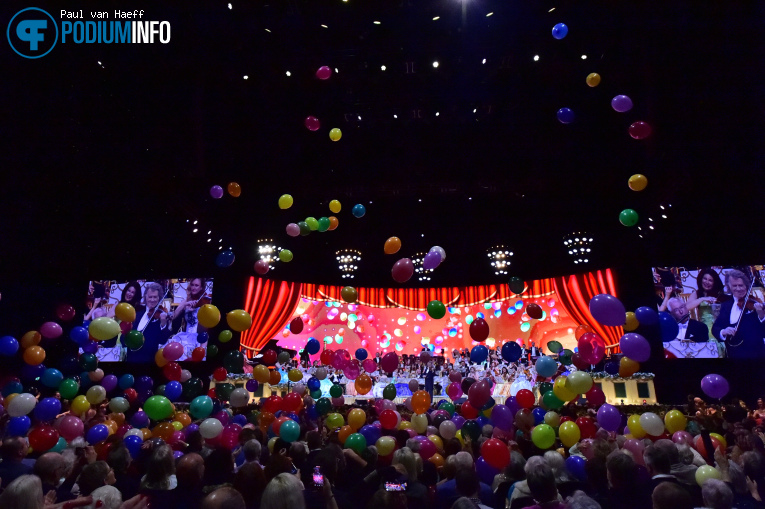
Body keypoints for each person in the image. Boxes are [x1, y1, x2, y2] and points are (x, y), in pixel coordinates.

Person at [712, 269, 765, 359]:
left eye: (741, 285)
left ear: (746, 286)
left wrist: (761, 315)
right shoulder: (725, 305)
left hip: (755, 353)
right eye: (734, 286)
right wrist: (723, 331)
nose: (738, 288)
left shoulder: (754, 302)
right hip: (734, 353)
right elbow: (715, 328)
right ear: (729, 286)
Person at [126, 282, 171, 362]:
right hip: (132, 356)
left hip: (150, 358)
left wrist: (163, 324)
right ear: (145, 297)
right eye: (150, 297)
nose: (152, 300)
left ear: (159, 298)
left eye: (155, 297)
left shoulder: (161, 315)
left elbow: (162, 340)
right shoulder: (137, 312)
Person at [688, 269, 725, 337]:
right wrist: (702, 299)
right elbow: (687, 307)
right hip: (704, 329)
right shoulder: (697, 293)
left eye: (710, 280)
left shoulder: (719, 295)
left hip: (719, 328)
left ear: (714, 282)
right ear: (701, 279)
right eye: (705, 279)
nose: (707, 282)